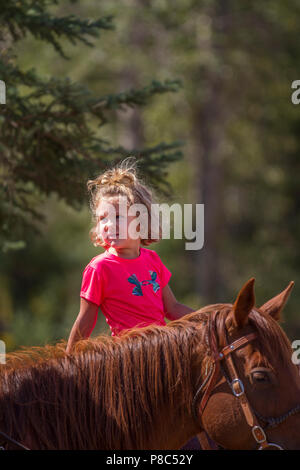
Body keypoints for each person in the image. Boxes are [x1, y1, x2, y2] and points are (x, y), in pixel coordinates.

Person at [66, 157, 195, 353]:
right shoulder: (99, 268)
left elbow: (172, 308)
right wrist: (68, 365)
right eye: (103, 218)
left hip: (162, 351)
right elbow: (84, 322)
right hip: (127, 359)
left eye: (118, 216)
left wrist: (208, 320)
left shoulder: (152, 260)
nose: (109, 224)